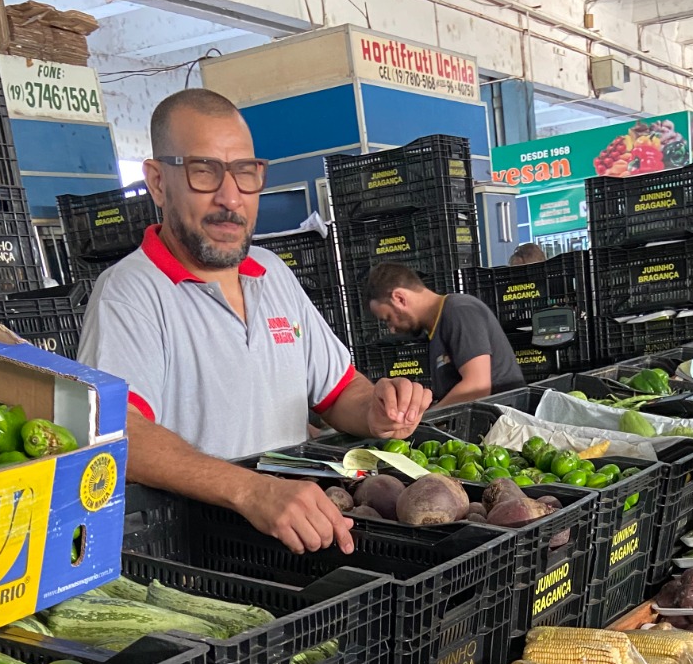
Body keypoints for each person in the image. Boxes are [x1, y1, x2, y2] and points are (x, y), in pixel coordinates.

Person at [78, 89, 432, 554]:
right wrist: (252, 490)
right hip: (204, 554)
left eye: (245, 172)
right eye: (204, 172)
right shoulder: (129, 292)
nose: (231, 198)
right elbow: (121, 433)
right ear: (158, 181)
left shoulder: (273, 273)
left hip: (300, 536)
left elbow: (338, 390)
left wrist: (377, 408)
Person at [364, 262, 526, 407]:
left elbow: (477, 387)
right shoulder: (437, 328)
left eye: (388, 319)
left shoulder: (459, 311)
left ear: (399, 298)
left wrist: (428, 420)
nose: (392, 329)